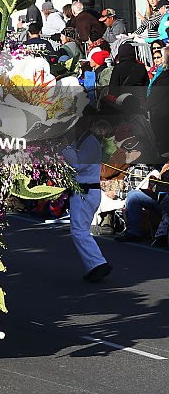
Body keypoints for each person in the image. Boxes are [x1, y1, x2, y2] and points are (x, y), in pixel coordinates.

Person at [61, 112, 112, 282]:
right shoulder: (82, 139)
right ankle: (95, 264)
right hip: (85, 191)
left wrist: (65, 147)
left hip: (86, 191)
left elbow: (77, 164)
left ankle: (98, 263)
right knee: (80, 230)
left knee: (79, 231)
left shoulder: (90, 142)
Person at [145, 40, 169, 157]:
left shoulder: (164, 76)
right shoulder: (160, 73)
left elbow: (156, 96)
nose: (157, 60)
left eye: (160, 57)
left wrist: (143, 107)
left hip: (162, 117)